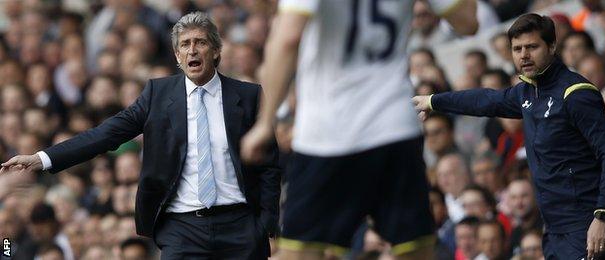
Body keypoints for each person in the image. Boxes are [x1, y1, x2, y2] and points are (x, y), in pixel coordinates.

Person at [1, 12, 280, 259]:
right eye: (185, 44)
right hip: (183, 230)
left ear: (216, 51)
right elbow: (105, 134)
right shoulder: (157, 96)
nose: (192, 50)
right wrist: (43, 158)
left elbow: (268, 164)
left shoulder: (247, 96)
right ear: (177, 56)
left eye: (201, 42)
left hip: (240, 227)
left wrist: (264, 223)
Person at [240, 0, 477, 259]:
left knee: (301, 252)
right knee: (415, 249)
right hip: (394, 127)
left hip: (329, 134)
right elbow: (468, 22)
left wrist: (265, 123)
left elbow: (287, 38)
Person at [414, 13, 605, 260]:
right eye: (517, 49)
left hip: (588, 226)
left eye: (532, 47)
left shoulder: (575, 94)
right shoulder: (526, 94)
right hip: (555, 232)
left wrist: (603, 215)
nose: (523, 55)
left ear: (552, 46)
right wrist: (433, 101)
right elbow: (485, 100)